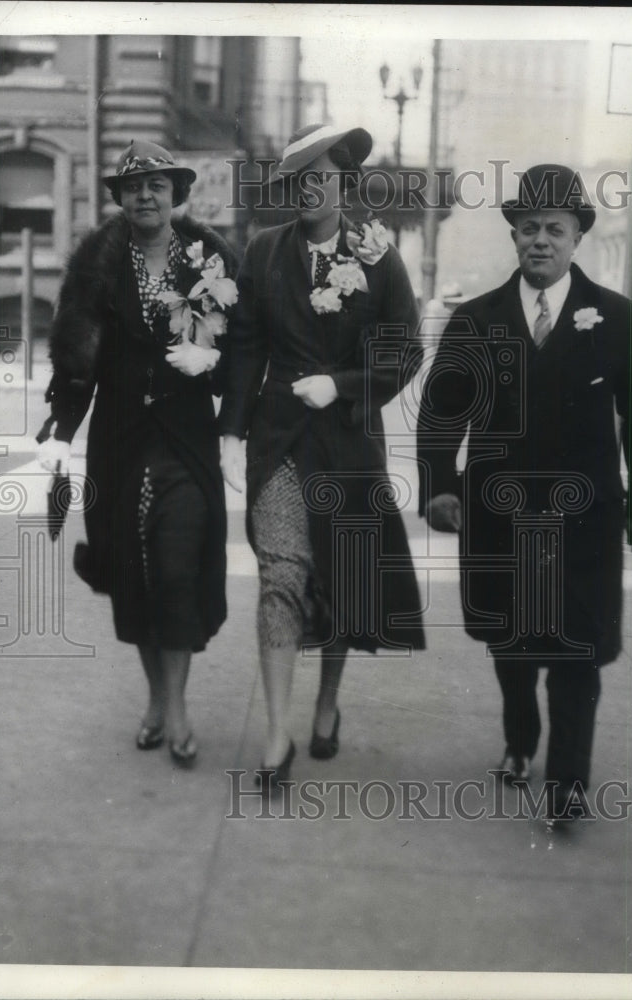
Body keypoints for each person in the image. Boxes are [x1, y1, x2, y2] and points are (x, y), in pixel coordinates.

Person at [417, 163, 632, 823]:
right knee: (514, 647)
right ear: (514, 235)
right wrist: (440, 488)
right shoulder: (475, 319)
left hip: (583, 519)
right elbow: (441, 412)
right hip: (497, 516)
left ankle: (567, 785)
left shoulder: (614, 318)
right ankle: (519, 740)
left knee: (576, 653)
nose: (539, 242)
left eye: (553, 229)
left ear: (576, 236)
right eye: (527, 228)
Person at [220, 123, 425, 791]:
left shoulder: (377, 258)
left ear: (343, 184)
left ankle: (327, 701)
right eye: (296, 179)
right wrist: (231, 429)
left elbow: (403, 351)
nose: (307, 189)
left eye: (320, 177)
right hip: (278, 438)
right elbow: (245, 345)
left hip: (347, 442)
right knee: (282, 572)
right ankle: (277, 734)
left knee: (340, 575)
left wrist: (339, 384)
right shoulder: (262, 252)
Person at [36, 140, 236, 768]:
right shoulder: (97, 263)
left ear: (177, 193)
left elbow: (249, 344)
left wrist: (216, 364)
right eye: (133, 187)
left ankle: (175, 707)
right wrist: (60, 435)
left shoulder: (212, 258)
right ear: (120, 198)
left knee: (175, 567)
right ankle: (155, 699)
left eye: (156, 185)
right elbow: (76, 361)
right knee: (135, 575)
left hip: (185, 440)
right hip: (119, 442)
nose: (144, 196)